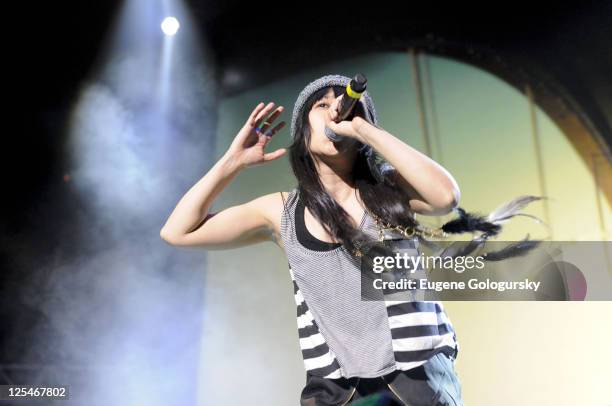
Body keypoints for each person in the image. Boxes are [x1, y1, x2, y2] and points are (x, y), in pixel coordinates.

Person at [161, 74, 536, 405]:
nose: (335, 111)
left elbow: (445, 196)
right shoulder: (280, 211)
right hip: (340, 392)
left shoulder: (390, 189)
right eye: (321, 105)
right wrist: (232, 163)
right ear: (303, 133)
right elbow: (177, 231)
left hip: (417, 383)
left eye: (345, 106)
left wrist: (363, 129)